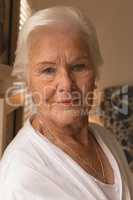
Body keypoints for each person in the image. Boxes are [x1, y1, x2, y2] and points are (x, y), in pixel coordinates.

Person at [0, 6, 132, 200]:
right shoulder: (23, 177)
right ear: (27, 82)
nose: (66, 84)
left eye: (78, 67)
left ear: (95, 74)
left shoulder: (105, 138)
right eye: (48, 70)